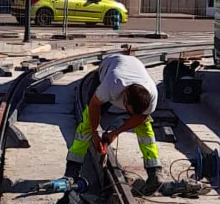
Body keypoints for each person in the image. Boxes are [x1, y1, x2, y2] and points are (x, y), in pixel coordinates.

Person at [66, 51, 162, 191]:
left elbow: (140, 118)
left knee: (145, 126)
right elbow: (95, 104)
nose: (128, 114)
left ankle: (155, 172)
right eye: (128, 110)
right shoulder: (112, 83)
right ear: (125, 95)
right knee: (87, 123)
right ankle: (72, 171)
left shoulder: (152, 94)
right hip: (110, 65)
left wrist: (115, 133)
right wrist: (94, 133)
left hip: (134, 67)